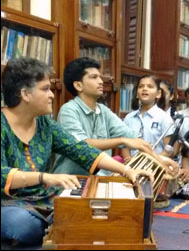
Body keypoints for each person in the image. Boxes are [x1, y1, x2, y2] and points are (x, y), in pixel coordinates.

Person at [1, 58, 152, 246]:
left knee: (86, 210)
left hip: (43, 199)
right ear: (25, 94)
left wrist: (126, 171)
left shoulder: (45, 124)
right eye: (45, 89)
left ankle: (60, 229)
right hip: (8, 203)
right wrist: (45, 177)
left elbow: (79, 149)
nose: (52, 95)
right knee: (22, 225)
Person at [53, 57, 154, 176]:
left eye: (100, 77)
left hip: (100, 181)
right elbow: (81, 145)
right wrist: (122, 140)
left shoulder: (103, 111)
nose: (101, 81)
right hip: (72, 184)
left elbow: (131, 137)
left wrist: (162, 162)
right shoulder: (68, 110)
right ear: (78, 85)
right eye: (94, 77)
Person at [123, 75, 173, 157]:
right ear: (137, 94)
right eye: (141, 86)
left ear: (158, 94)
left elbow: (169, 151)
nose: (144, 89)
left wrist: (150, 163)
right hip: (132, 168)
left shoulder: (164, 118)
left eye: (150, 86)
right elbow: (124, 145)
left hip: (156, 166)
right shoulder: (129, 118)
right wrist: (129, 162)